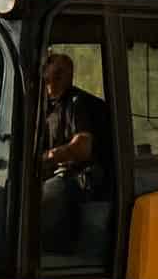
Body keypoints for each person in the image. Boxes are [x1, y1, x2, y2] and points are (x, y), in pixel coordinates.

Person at [37, 52, 109, 254]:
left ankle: (46, 254)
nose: (56, 76)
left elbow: (83, 147)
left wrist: (50, 157)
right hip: (58, 173)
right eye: (53, 70)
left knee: (45, 196)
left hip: (84, 176)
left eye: (61, 72)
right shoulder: (44, 107)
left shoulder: (77, 103)